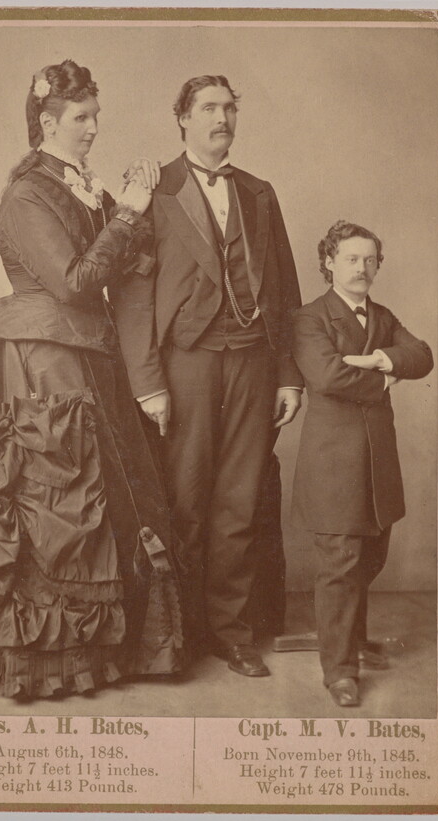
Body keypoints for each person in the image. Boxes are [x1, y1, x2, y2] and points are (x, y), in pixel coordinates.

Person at [0, 60, 184, 708]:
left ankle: (113, 654)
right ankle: (46, 661)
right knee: (57, 502)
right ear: (47, 123)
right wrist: (126, 213)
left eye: (96, 115)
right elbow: (76, 282)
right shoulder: (25, 197)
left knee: (110, 497)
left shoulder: (82, 186)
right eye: (82, 118)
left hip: (93, 356)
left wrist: (133, 210)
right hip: (43, 361)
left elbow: (127, 261)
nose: (94, 127)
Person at [111, 75, 302, 677]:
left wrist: (290, 374)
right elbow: (132, 298)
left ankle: (232, 631)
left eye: (229, 108)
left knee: (240, 499)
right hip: (186, 364)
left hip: (253, 360)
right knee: (186, 498)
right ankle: (181, 634)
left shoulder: (259, 192)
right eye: (208, 108)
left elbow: (286, 287)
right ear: (183, 120)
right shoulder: (154, 190)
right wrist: (147, 382)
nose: (221, 117)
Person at [291, 220, 433, 707]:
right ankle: (340, 672)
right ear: (328, 262)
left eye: (370, 260)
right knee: (340, 567)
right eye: (351, 258)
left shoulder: (383, 315)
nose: (362, 268)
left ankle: (349, 638)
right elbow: (328, 377)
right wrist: (386, 377)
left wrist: (376, 360)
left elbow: (423, 356)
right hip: (333, 466)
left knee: (370, 559)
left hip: (378, 465)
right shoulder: (309, 318)